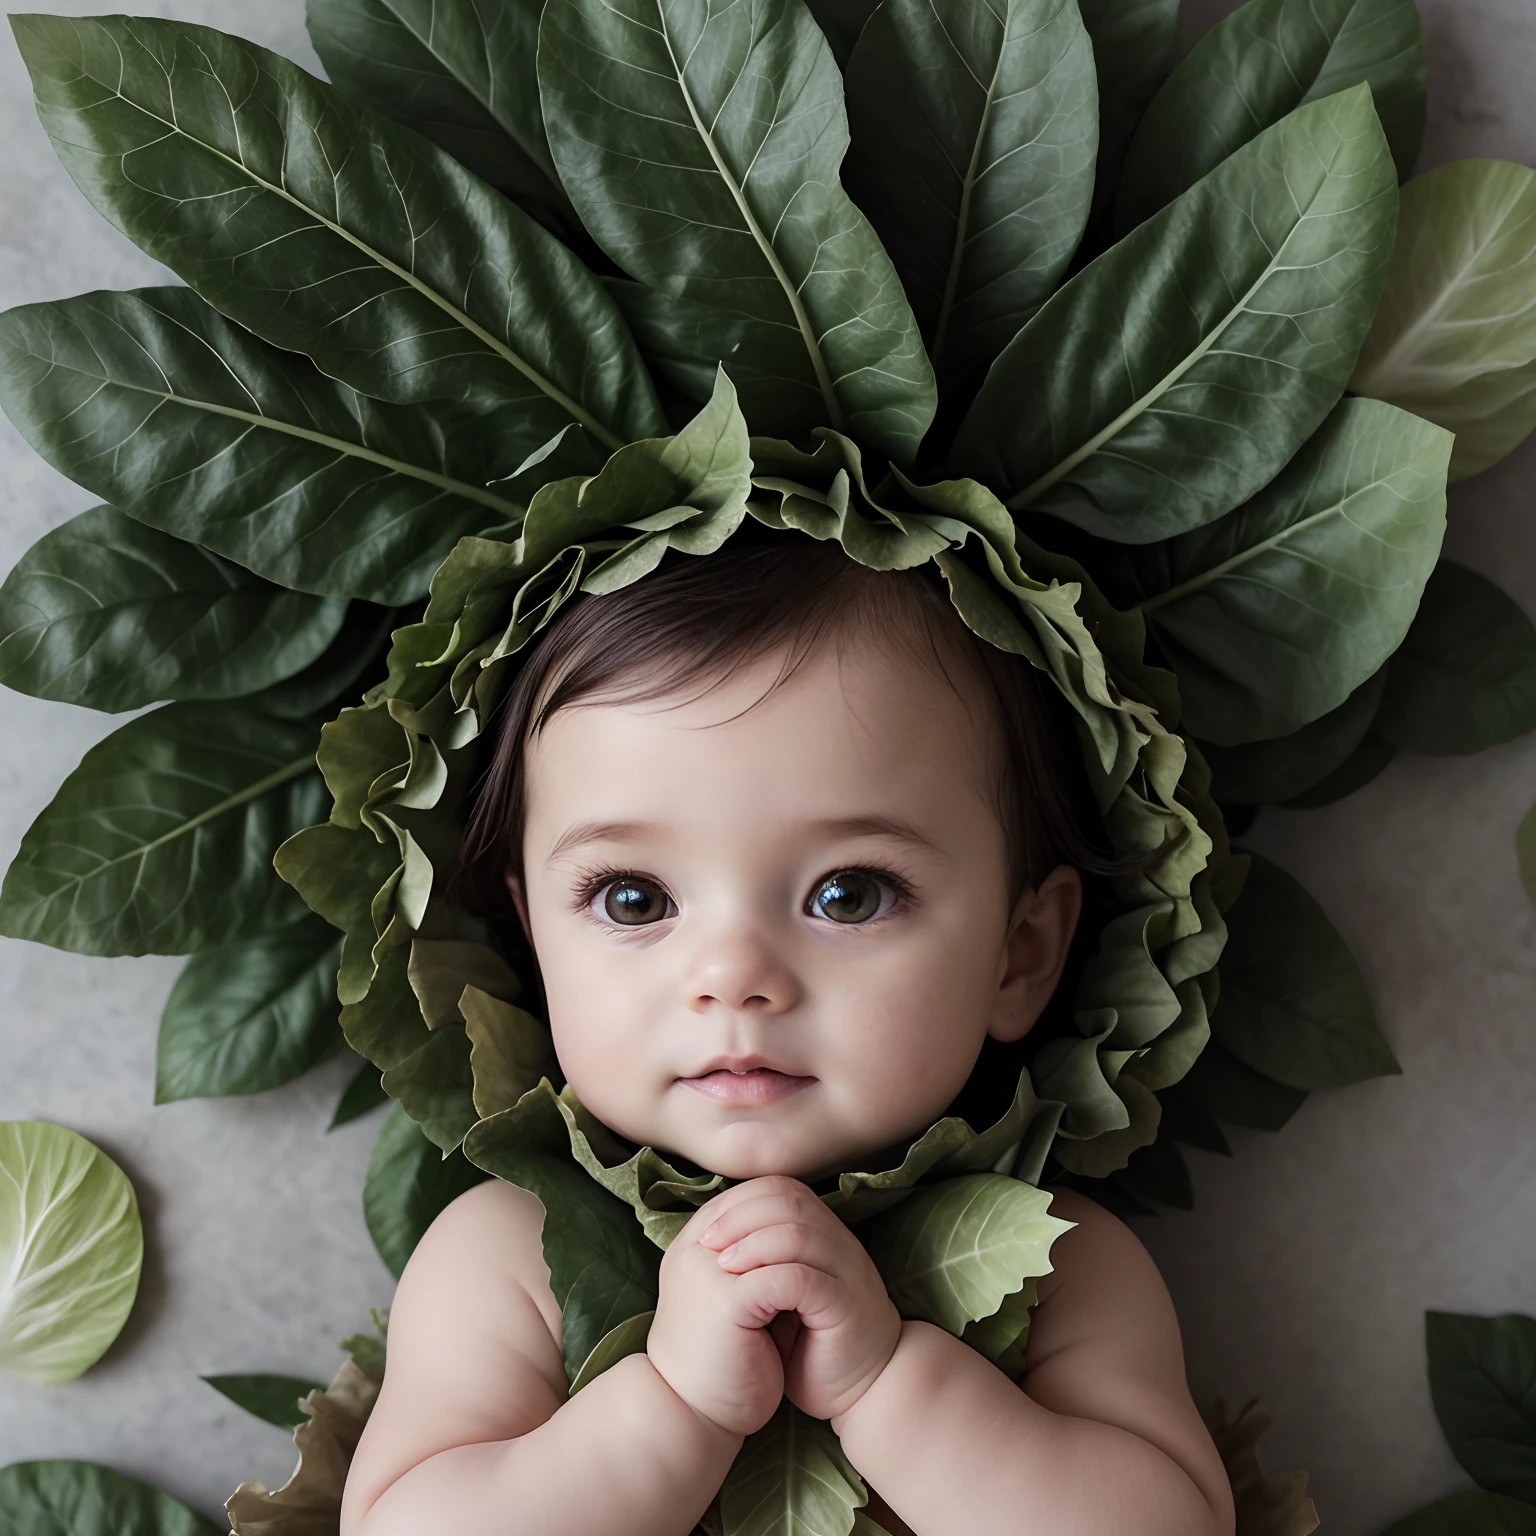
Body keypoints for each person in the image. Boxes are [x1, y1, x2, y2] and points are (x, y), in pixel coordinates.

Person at [335, 538, 1237, 1536]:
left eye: (849, 895)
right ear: (534, 943)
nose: (733, 979)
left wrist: (886, 1382)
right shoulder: (509, 1256)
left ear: (1018, 956)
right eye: (634, 899)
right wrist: (672, 1407)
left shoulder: (1054, 1260)